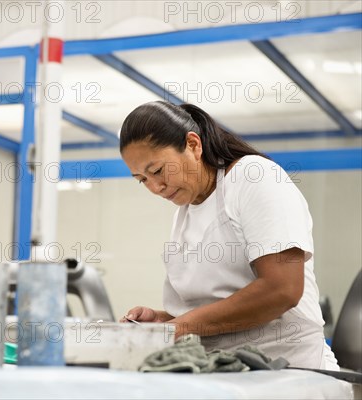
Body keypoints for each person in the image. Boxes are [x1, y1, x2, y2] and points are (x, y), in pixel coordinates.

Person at [119, 101, 338, 370]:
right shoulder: (184, 214)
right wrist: (163, 321)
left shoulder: (254, 179)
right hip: (224, 368)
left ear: (193, 145)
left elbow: (282, 289)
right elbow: (215, 307)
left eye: (157, 171)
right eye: (142, 179)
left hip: (287, 368)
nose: (155, 187)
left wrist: (180, 326)